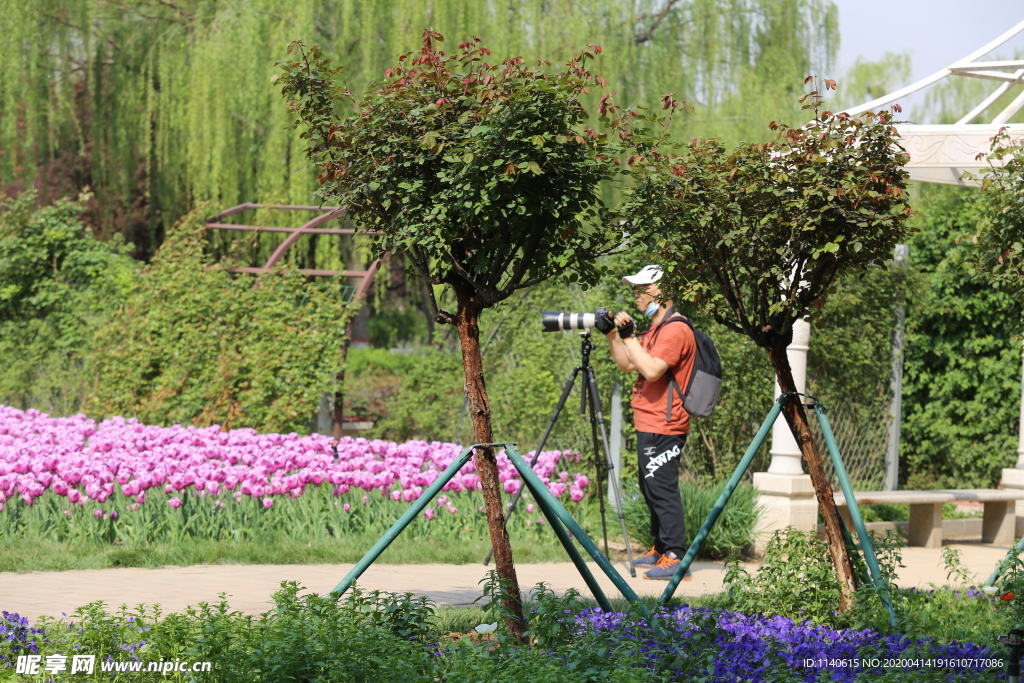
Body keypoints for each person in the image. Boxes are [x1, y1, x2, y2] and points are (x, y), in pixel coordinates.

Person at [600, 264, 696, 581]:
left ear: (661, 291)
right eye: (636, 289)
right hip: (649, 420)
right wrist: (615, 335)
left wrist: (628, 336)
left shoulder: (675, 329)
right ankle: (659, 547)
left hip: (666, 423)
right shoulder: (656, 328)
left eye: (643, 288)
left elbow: (653, 370)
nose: (637, 294)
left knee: (662, 487)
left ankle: (676, 556)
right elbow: (630, 364)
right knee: (649, 485)